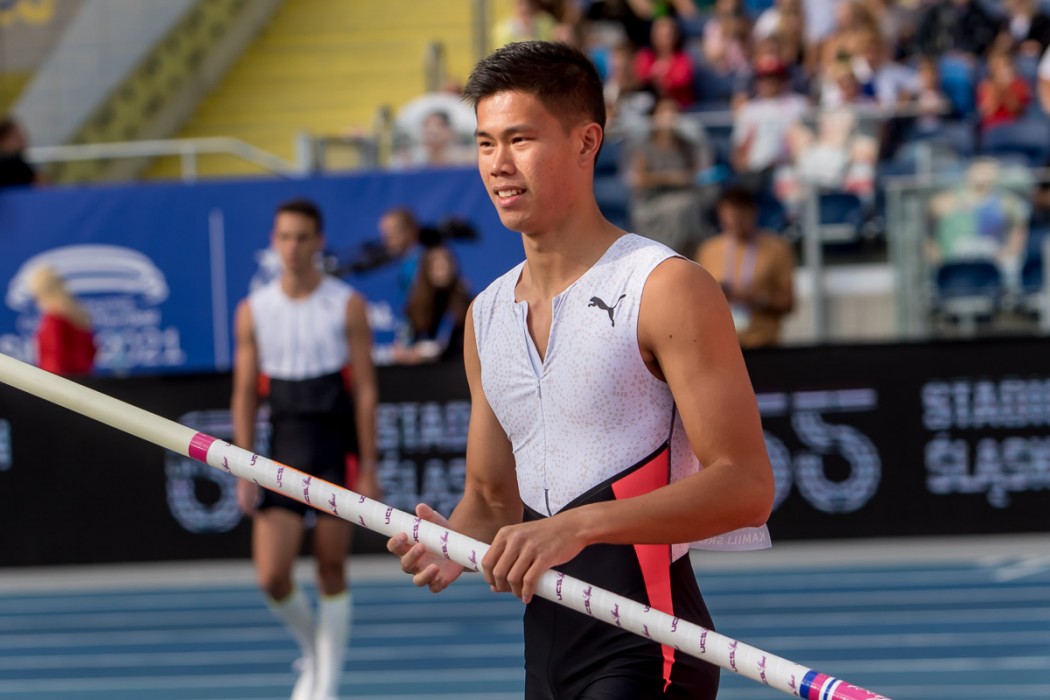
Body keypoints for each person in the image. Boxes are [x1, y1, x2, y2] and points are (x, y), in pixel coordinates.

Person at [387, 41, 774, 700]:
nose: (499, 165)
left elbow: (746, 487)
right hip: (546, 653)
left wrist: (578, 525)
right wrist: (455, 539)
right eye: (485, 144)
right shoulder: (485, 316)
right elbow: (491, 501)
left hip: (649, 647)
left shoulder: (664, 287)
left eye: (520, 139)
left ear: (586, 142)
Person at [231, 198, 380, 700]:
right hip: (282, 449)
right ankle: (313, 651)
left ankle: (327, 685)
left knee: (330, 569)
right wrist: (243, 464)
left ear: (318, 242)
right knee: (272, 576)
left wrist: (369, 465)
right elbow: (245, 392)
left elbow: (365, 389)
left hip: (335, 447)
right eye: (284, 237)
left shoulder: (346, 303)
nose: (292, 247)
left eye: (301, 237)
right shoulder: (254, 310)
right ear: (274, 242)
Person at [695, 187, 796, 349]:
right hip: (721, 347)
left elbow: (788, 303)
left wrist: (757, 299)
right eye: (730, 216)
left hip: (763, 343)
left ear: (753, 213)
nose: (735, 222)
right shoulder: (709, 249)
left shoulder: (776, 248)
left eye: (740, 216)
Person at [393, 244, 473, 364]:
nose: (442, 270)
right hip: (421, 369)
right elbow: (403, 342)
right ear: (427, 270)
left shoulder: (464, 301)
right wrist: (409, 352)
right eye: (437, 266)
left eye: (445, 264)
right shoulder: (414, 303)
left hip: (454, 366)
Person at [26, 265, 96, 375]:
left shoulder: (54, 319)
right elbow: (91, 350)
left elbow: (55, 356)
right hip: (82, 378)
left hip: (57, 380)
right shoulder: (78, 314)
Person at [0, 116, 40, 188]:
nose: (23, 140)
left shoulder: (19, 163)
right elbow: (42, 183)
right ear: (3, 140)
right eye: (17, 136)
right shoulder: (14, 164)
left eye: (22, 135)